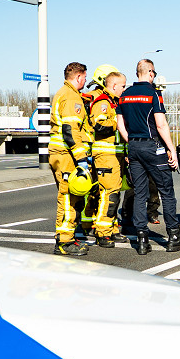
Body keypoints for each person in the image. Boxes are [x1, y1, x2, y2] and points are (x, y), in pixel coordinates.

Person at [116, 59, 180, 255]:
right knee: (166, 192)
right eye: (154, 74)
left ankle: (142, 240)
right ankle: (174, 237)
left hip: (133, 148)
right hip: (153, 148)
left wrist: (131, 142)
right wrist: (172, 150)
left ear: (137, 74)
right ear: (150, 73)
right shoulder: (154, 94)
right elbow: (161, 125)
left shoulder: (124, 96)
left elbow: (120, 125)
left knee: (140, 194)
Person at [48, 62, 93, 257]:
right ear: (78, 77)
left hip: (63, 153)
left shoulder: (64, 93)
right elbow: (70, 131)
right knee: (68, 197)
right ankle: (64, 242)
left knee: (71, 197)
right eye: (84, 77)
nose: (84, 81)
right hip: (66, 154)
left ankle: (67, 236)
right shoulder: (71, 96)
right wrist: (82, 158)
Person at [84, 65, 129, 248]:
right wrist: (118, 121)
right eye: (123, 86)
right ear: (114, 85)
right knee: (108, 194)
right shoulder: (103, 102)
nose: (125, 89)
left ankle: (112, 228)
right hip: (105, 154)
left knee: (115, 193)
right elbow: (100, 126)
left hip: (115, 154)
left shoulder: (113, 102)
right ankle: (103, 233)